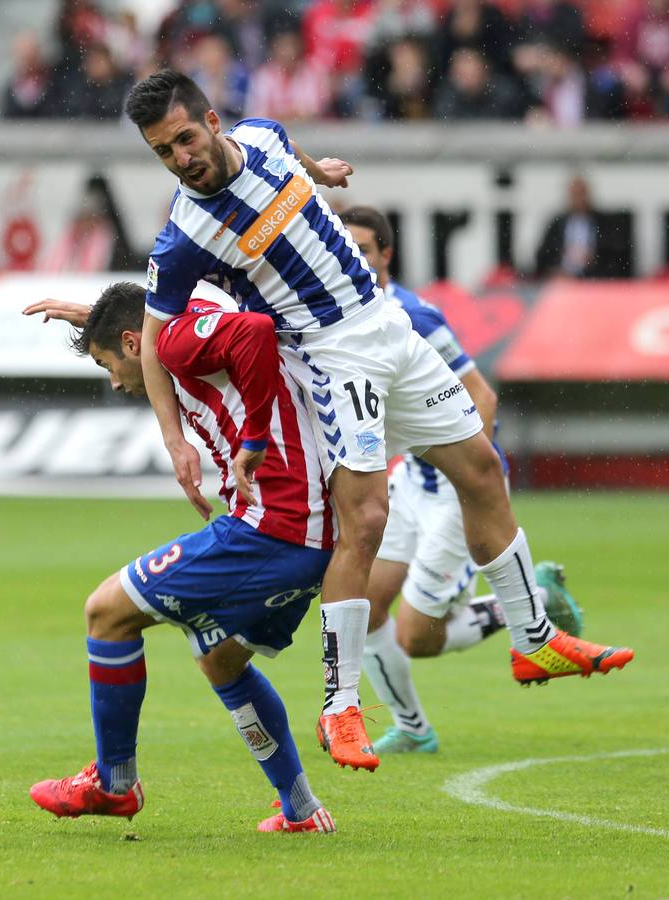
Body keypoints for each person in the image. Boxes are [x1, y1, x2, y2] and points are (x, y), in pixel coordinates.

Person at [121, 70, 634, 773]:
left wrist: (318, 172)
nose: (181, 159)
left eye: (184, 138)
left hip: (387, 327)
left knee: (481, 468)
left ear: (212, 121)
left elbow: (285, 148)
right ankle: (340, 706)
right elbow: (155, 338)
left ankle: (531, 636)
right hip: (331, 356)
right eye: (162, 152)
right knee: (364, 518)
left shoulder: (262, 138)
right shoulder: (185, 236)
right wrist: (174, 438)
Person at [20, 281, 337, 833]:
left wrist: (255, 437)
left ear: (131, 341)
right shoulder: (188, 314)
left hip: (273, 525)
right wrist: (93, 315)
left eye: (108, 366)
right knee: (221, 659)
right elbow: (159, 311)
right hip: (311, 532)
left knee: (106, 612)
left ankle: (114, 783)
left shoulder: (173, 343)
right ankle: (302, 812)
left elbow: (255, 332)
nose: (116, 383)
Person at [340, 205, 586, 754]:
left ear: (386, 255)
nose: (353, 256)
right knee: (368, 602)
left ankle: (535, 596)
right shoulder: (344, 311)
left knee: (417, 639)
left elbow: (481, 395)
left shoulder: (413, 316)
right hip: (408, 488)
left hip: (449, 495)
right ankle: (412, 728)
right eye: (345, 246)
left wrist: (468, 475)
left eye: (364, 248)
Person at [534, 175, 633, 279]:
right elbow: (543, 255)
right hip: (562, 280)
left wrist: (593, 257)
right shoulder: (557, 224)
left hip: (594, 279)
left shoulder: (604, 223)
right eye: (575, 194)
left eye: (581, 194)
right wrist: (557, 267)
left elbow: (615, 256)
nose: (579, 199)